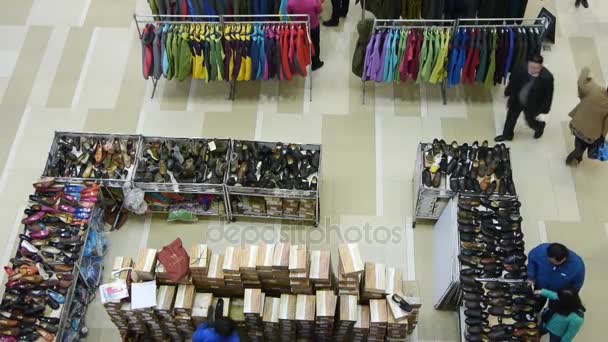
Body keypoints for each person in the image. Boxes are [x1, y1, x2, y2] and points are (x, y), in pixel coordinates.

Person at [495, 55, 554, 142]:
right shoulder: (521, 68)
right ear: (528, 63)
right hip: (517, 99)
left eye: (536, 68)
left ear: (541, 66)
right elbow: (513, 80)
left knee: (529, 120)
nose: (532, 70)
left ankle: (539, 126)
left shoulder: (547, 78)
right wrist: (508, 91)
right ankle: (507, 135)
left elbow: (548, 95)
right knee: (511, 117)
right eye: (531, 67)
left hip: (533, 104)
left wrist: (546, 108)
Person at [566, 66, 608, 166]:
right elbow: (606, 125)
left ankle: (577, 156)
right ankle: (574, 156)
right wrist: (602, 137)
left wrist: (585, 71)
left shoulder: (595, 89)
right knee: (585, 143)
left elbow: (581, 83)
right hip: (590, 134)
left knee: (579, 140)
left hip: (576, 125)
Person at [527, 243, 585, 312]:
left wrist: (565, 298)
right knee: (535, 305)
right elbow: (532, 259)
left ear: (564, 258)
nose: (553, 265)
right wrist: (531, 276)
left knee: (553, 311)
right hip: (540, 286)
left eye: (556, 264)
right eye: (550, 262)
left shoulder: (577, 267)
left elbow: (576, 286)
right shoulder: (541, 250)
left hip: (557, 294)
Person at [288, 0, 324, 70]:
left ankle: (302, 61)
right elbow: (319, 11)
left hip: (299, 28)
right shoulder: (314, 1)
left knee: (301, 44)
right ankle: (315, 63)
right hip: (313, 26)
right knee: (315, 43)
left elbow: (290, 13)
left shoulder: (291, 2)